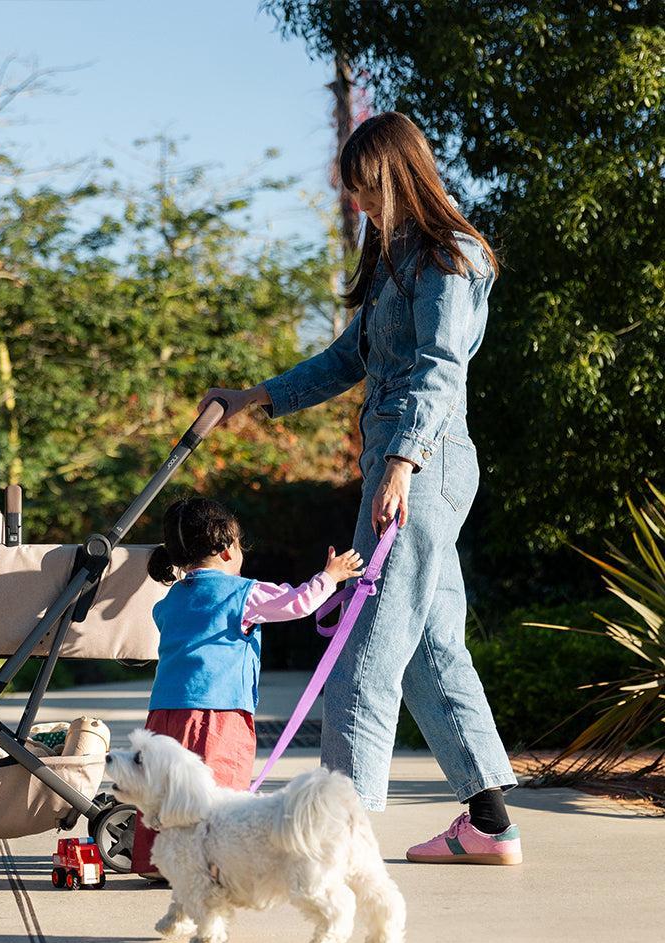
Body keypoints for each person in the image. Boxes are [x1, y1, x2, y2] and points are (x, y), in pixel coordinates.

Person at [198, 111, 522, 866]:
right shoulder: (395, 261)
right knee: (430, 647)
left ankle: (334, 837)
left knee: (366, 642)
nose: (359, 206)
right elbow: (351, 357)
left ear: (398, 173)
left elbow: (442, 367)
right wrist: (257, 395)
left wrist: (403, 464)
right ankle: (490, 821)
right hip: (404, 466)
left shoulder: (449, 256)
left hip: (426, 462)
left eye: (366, 189)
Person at [132, 496, 364, 880]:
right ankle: (215, 862)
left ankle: (161, 860)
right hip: (218, 711)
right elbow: (298, 602)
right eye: (240, 546)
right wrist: (331, 576)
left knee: (165, 786)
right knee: (219, 788)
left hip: (166, 712)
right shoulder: (243, 593)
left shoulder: (170, 600)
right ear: (226, 550)